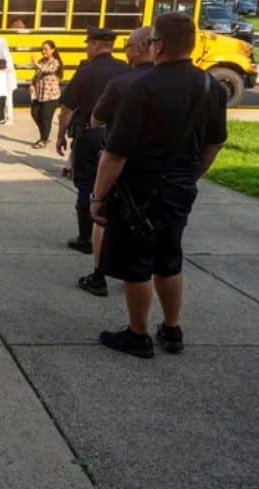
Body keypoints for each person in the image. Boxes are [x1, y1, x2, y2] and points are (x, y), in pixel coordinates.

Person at [89, 12, 227, 358]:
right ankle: (171, 328)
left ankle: (137, 335)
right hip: (180, 187)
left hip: (138, 190)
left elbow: (115, 154)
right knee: (169, 258)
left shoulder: (141, 87)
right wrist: (192, 175)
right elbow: (214, 143)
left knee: (137, 266)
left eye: (151, 42)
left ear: (159, 45)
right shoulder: (212, 86)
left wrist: (97, 196)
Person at [75, 26, 155, 297]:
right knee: (158, 236)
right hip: (169, 173)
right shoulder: (199, 83)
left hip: (127, 165)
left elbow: (98, 121)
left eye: (129, 46)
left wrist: (97, 196)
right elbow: (212, 142)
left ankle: (99, 275)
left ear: (143, 47)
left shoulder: (125, 83)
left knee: (104, 218)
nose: (127, 51)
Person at [56, 27, 129, 255]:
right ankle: (113, 234)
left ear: (97, 45)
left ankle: (86, 237)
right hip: (120, 134)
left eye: (88, 43)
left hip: (90, 134)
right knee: (117, 183)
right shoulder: (127, 70)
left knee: (86, 184)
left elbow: (67, 108)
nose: (86, 47)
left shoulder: (86, 71)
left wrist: (60, 136)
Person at [29, 40, 63, 148]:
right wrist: (32, 84)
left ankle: (43, 139)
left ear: (52, 50)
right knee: (35, 113)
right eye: (42, 49)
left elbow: (47, 70)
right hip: (39, 94)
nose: (43, 51)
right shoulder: (41, 61)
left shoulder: (55, 62)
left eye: (46, 49)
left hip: (50, 95)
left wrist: (36, 64)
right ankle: (44, 135)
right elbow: (36, 75)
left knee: (45, 117)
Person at [0, 36, 17, 125]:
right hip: (3, 81)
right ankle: (0, 117)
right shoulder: (0, 53)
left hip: (7, 81)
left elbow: (8, 68)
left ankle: (9, 117)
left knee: (8, 99)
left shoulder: (5, 54)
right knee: (1, 100)